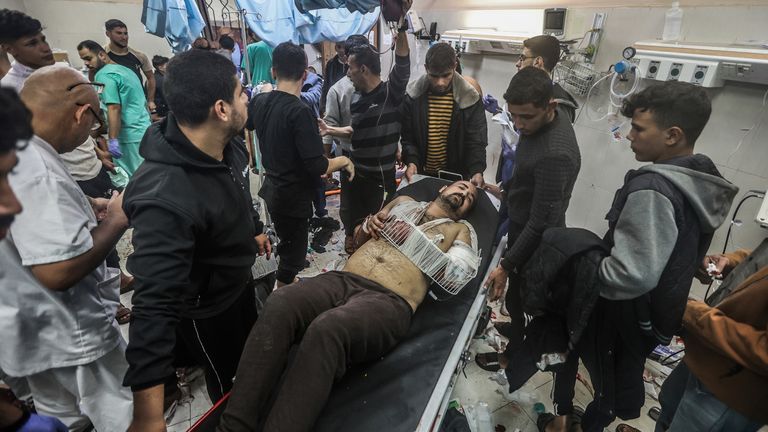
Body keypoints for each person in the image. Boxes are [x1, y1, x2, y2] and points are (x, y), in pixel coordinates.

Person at [218, 180, 480, 432]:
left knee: (327, 329)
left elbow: (454, 279)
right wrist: (368, 225)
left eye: (470, 199)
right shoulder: (404, 201)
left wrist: (416, 241)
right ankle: (233, 426)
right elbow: (358, 240)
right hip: (342, 279)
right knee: (280, 302)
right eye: (463, 187)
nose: (465, 194)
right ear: (443, 188)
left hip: (389, 300)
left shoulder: (460, 230)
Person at [562, 81, 736, 431]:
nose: (629, 136)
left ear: (672, 135)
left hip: (626, 313)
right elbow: (679, 242)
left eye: (639, 129)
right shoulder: (699, 178)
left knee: (606, 379)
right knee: (621, 374)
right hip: (658, 315)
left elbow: (630, 276)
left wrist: (586, 267)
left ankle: (589, 424)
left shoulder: (652, 189)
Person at [120, 49, 270, 432]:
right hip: (206, 310)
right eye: (241, 93)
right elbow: (153, 307)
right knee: (232, 384)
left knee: (255, 361)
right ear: (221, 108)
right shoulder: (166, 196)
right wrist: (148, 415)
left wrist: (253, 227)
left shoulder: (228, 144)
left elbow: (237, 191)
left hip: (236, 282)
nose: (247, 97)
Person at [2, 65, 133, 431]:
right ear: (80, 113)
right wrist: (117, 219)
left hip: (28, 332)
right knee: (123, 415)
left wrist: (84, 204)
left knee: (62, 418)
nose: (91, 134)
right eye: (93, 126)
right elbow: (57, 271)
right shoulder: (37, 169)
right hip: (71, 336)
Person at [479, 67, 581, 377]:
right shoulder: (548, 109)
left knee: (527, 299)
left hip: (538, 237)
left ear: (550, 107)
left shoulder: (556, 153)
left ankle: (516, 360)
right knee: (516, 299)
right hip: (523, 215)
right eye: (514, 116)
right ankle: (516, 327)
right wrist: (503, 190)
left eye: (527, 117)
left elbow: (540, 223)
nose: (519, 125)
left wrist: (506, 266)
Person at [248, 42, 354, 288]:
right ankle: (283, 295)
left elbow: (252, 124)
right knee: (293, 256)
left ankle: (287, 279)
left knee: (286, 242)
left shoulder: (261, 102)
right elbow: (317, 166)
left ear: (274, 71)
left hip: (272, 189)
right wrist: (344, 160)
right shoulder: (300, 111)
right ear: (305, 74)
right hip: (292, 197)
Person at [319, 2, 412, 253]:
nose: (347, 73)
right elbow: (355, 132)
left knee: (377, 233)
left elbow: (402, 63)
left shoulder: (391, 93)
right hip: (354, 172)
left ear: (362, 68)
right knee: (351, 220)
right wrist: (330, 130)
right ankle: (351, 242)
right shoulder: (357, 101)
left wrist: (401, 24)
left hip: (380, 179)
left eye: (349, 67)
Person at [654, 242, 767, 432]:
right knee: (667, 413)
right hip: (705, 355)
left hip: (730, 390)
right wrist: (732, 262)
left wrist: (699, 316)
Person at [400, 41, 487, 186]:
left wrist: (476, 171)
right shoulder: (412, 96)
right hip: (422, 174)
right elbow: (408, 139)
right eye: (434, 76)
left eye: (446, 75)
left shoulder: (470, 98)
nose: (440, 82)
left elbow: (476, 141)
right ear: (426, 68)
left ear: (454, 67)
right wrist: (412, 162)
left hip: (457, 177)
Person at [321, 34, 371, 252]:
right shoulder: (338, 90)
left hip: (375, 153)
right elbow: (329, 125)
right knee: (350, 200)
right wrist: (327, 160)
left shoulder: (378, 87)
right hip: (348, 155)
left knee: (375, 198)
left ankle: (370, 234)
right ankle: (350, 234)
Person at [77, 39, 151, 177]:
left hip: (128, 136)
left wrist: (112, 139)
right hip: (143, 130)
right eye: (83, 60)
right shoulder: (126, 70)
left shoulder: (104, 74)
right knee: (149, 175)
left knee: (136, 180)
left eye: (88, 58)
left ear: (102, 55)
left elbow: (114, 108)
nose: (86, 63)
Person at [104, 19, 156, 113]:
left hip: (137, 105)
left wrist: (150, 100)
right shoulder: (102, 56)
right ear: (108, 34)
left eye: (126, 33)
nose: (124, 37)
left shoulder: (139, 56)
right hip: (113, 106)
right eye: (119, 33)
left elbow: (151, 77)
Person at [0, 9, 54, 92]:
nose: (46, 49)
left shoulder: (62, 70)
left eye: (43, 40)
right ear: (9, 49)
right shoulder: (8, 91)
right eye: (32, 44)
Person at [320, 41, 349, 113]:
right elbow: (326, 85)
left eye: (344, 47)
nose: (342, 50)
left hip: (349, 105)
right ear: (335, 48)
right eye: (339, 47)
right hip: (333, 103)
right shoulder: (331, 64)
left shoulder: (353, 64)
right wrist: (323, 107)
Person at [151, 55, 169, 119]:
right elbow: (167, 98)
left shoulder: (154, 77)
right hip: (163, 111)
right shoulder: (160, 80)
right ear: (160, 68)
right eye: (167, 64)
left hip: (160, 108)